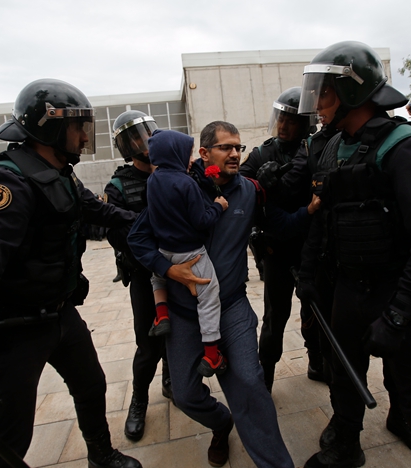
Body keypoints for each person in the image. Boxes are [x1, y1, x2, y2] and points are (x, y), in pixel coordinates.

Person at [0, 79, 142, 468]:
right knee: (10, 434)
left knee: (91, 386)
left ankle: (101, 455)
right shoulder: (8, 182)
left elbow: (101, 212)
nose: (84, 135)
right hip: (15, 328)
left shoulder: (59, 171)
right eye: (78, 125)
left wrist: (151, 223)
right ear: (51, 126)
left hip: (59, 313)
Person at [295, 41, 411, 468]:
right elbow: (322, 218)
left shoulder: (406, 147)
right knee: (344, 379)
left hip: (395, 292)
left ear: (351, 91)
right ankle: (345, 446)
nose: (317, 105)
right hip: (348, 289)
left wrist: (401, 314)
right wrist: (308, 276)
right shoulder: (334, 147)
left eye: (324, 93)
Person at [128, 120, 318, 468]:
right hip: (185, 312)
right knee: (185, 395)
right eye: (226, 147)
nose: (235, 154)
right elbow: (138, 239)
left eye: (238, 147)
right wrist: (169, 269)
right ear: (204, 153)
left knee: (249, 382)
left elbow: (280, 225)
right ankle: (221, 423)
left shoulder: (250, 191)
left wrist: (308, 211)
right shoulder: (177, 186)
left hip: (230, 306)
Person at [239, 87, 323, 391]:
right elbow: (238, 181)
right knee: (275, 316)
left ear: (305, 122)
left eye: (291, 120)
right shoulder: (263, 152)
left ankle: (317, 361)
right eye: (281, 118)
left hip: (310, 246)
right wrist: (257, 179)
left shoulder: (315, 149)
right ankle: (267, 374)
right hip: (277, 247)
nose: (283, 125)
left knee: (314, 309)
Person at [104, 109, 171, 442]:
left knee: (179, 334)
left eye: (146, 132)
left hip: (180, 271)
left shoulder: (173, 170)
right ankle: (139, 402)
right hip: (145, 276)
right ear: (125, 146)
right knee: (148, 345)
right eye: (134, 137)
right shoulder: (118, 185)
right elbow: (116, 234)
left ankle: (173, 381)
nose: (144, 141)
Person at [146, 128, 229, 379]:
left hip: (164, 250)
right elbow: (201, 220)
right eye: (187, 152)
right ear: (175, 153)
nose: (190, 157)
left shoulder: (153, 179)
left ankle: (161, 316)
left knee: (157, 277)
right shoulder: (186, 183)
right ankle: (212, 355)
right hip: (190, 254)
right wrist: (218, 206)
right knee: (209, 297)